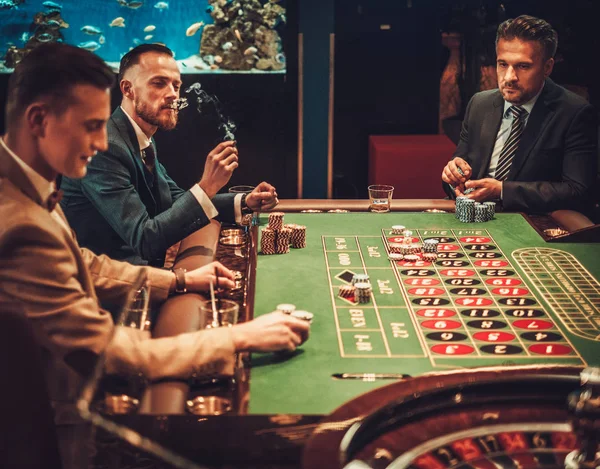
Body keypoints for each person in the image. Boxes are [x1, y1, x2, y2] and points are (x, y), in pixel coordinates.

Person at [0, 43, 309, 469]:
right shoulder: (19, 223)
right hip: (57, 424)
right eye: (90, 126)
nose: (98, 142)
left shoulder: (25, 181)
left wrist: (179, 281)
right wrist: (238, 337)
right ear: (38, 120)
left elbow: (84, 262)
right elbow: (110, 351)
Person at [60, 43, 278, 267]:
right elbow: (145, 239)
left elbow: (173, 199)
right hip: (109, 289)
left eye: (176, 85)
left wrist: (244, 202)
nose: (173, 94)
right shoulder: (105, 147)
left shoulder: (141, 137)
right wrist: (207, 186)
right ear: (127, 89)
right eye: (159, 83)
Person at [441, 15, 598, 214]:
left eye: (523, 66)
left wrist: (502, 191)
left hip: (532, 223)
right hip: (474, 219)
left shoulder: (575, 113)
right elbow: (457, 175)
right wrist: (452, 175)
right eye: (503, 64)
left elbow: (578, 191)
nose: (509, 77)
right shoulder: (479, 104)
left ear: (547, 67)